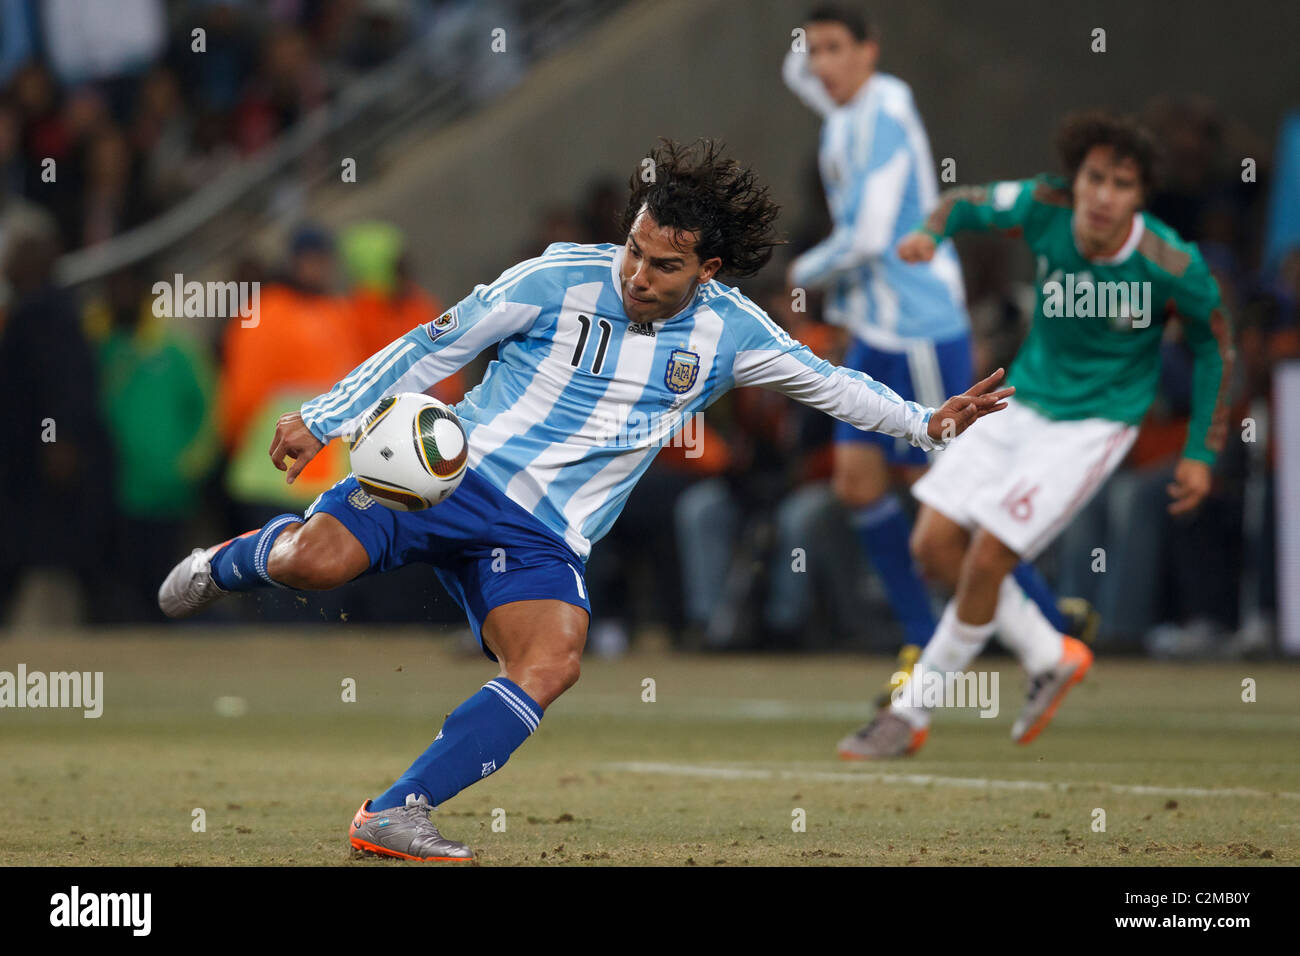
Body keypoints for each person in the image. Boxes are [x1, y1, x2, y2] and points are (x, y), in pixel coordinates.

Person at [158, 139, 1013, 860]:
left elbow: (828, 386)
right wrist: (327, 415)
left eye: (664, 264)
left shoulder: (732, 331)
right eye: (634, 250)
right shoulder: (557, 277)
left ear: (706, 270)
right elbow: (433, 343)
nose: (638, 273)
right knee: (315, 563)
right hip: (448, 479)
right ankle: (225, 563)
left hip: (545, 534)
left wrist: (925, 424)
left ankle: (394, 810)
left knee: (553, 662)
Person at [840, 110, 1234, 758]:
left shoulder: (1171, 261)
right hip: (1022, 401)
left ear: (1140, 197)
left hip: (1095, 423)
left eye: (1123, 185)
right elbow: (962, 204)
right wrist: (928, 233)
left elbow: (1215, 345)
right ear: (1074, 181)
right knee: (934, 546)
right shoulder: (1042, 205)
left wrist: (1200, 450)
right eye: (1096, 178)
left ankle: (908, 715)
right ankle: (1050, 653)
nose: (1105, 195)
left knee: (991, 553)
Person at [783, 5, 1076, 706]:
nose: (819, 64)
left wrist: (799, 272)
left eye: (834, 48)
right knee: (858, 484)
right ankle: (921, 633)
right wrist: (811, 45)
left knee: (953, 495)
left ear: (870, 51)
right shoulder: (841, 112)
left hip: (917, 327)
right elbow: (795, 70)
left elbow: (873, 236)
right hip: (876, 332)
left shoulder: (885, 109)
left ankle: (1050, 622)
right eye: (813, 50)